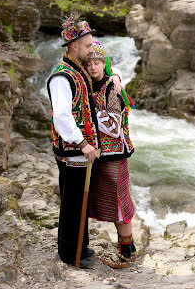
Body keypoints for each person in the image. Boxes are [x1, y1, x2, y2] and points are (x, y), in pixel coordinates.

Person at [47, 15, 121, 268]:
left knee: (81, 201)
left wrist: (117, 77)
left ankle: (81, 247)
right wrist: (82, 143)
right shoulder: (61, 77)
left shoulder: (79, 70)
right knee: (71, 203)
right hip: (73, 150)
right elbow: (62, 117)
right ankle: (70, 254)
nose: (92, 49)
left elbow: (107, 67)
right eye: (88, 45)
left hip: (83, 150)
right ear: (74, 46)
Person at [86, 41, 137, 269]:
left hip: (114, 155)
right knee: (112, 204)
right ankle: (129, 248)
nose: (93, 67)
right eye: (89, 63)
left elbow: (115, 127)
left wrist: (87, 120)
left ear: (104, 64)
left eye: (97, 62)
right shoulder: (91, 84)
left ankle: (126, 254)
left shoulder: (110, 88)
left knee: (119, 206)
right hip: (101, 156)